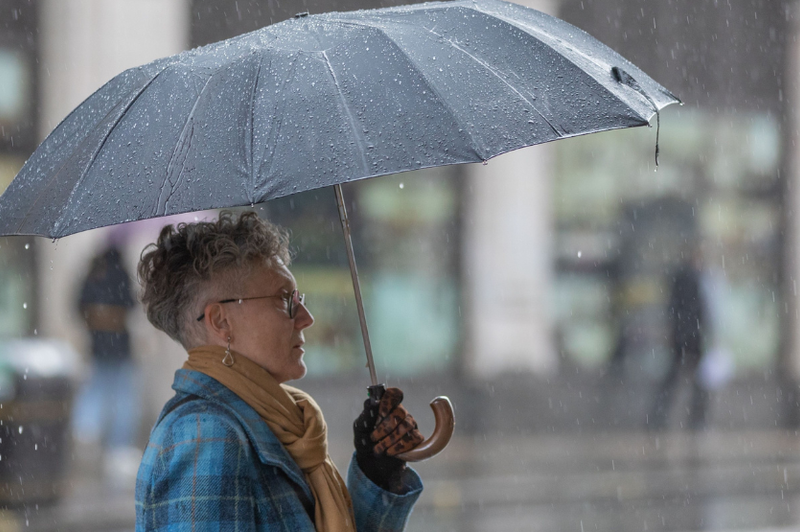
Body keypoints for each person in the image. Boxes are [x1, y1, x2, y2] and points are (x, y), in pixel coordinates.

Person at [134, 211, 424, 531]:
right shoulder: (206, 433)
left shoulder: (274, 420)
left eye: (300, 298)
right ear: (221, 321)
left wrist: (377, 471)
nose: (306, 317)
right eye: (285, 300)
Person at [73, 245, 140, 465]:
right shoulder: (120, 275)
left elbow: (78, 307)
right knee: (119, 394)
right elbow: (130, 305)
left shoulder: (92, 275)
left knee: (100, 388)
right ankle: (115, 447)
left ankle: (88, 431)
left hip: (100, 344)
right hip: (117, 345)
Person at [648, 252, 709, 430]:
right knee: (696, 381)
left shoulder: (679, 280)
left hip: (681, 336)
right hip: (691, 337)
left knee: (674, 380)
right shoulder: (695, 280)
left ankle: (659, 417)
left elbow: (673, 309)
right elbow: (700, 310)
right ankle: (696, 420)